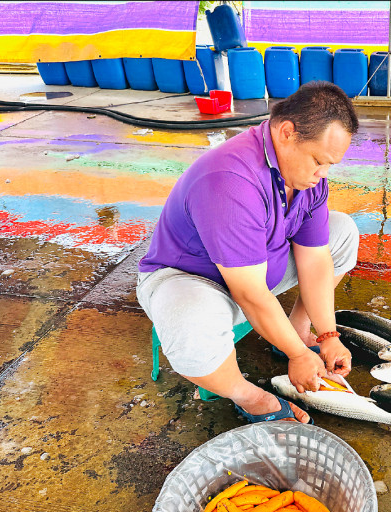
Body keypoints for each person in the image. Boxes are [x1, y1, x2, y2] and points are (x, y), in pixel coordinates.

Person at [136, 81, 360, 424]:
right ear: (287, 133)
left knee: (342, 231)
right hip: (196, 281)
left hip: (257, 269)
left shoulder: (306, 179)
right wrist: (299, 356)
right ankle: (250, 396)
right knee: (191, 322)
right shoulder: (229, 179)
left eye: (329, 164)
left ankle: (296, 331)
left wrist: (327, 334)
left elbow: (315, 259)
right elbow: (250, 293)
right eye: (318, 160)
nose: (323, 174)